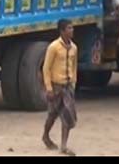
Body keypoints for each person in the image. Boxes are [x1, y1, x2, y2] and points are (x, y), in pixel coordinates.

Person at [42, 19, 78, 156]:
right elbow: (46, 68)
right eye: (69, 28)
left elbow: (74, 67)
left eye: (72, 28)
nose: (72, 30)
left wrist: (73, 82)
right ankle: (45, 135)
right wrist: (49, 88)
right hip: (56, 87)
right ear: (62, 31)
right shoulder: (53, 47)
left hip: (67, 87)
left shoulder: (74, 48)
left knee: (67, 116)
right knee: (52, 115)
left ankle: (63, 146)